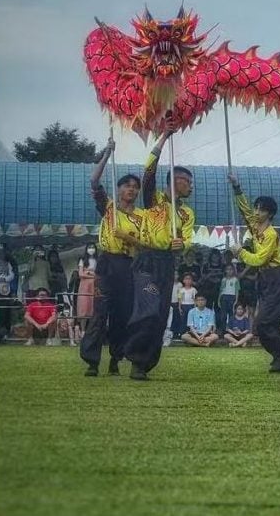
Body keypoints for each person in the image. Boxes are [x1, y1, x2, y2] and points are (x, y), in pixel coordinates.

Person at [125, 124, 195, 380]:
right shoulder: (153, 200)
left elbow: (187, 238)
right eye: (186, 180)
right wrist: (164, 138)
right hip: (146, 260)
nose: (189, 185)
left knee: (160, 314)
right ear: (173, 181)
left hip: (167, 263)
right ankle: (134, 355)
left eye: (190, 182)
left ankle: (144, 363)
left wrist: (182, 245)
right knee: (149, 308)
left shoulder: (186, 213)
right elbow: (148, 172)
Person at [81, 137, 144, 376]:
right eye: (127, 185)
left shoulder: (142, 216)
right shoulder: (108, 207)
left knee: (123, 314)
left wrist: (129, 239)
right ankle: (91, 361)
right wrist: (107, 152)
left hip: (129, 265)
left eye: (134, 186)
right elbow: (94, 180)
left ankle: (116, 358)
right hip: (107, 263)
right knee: (100, 312)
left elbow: (145, 244)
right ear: (119, 189)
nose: (131, 189)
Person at [228, 173, 280, 373]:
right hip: (265, 279)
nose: (256, 212)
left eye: (261, 209)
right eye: (256, 208)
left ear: (270, 214)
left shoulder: (271, 235)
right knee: (271, 323)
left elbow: (259, 260)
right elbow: (244, 209)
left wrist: (240, 252)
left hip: (276, 278)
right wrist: (237, 187)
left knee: (263, 322)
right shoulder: (255, 226)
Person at [0, 244, 15, 335]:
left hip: (5, 290)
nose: (0, 253)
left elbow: (12, 275)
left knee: (5, 310)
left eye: (2, 251)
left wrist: (6, 279)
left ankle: (4, 332)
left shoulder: (7, 263)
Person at [76, 244, 98, 321]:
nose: (91, 249)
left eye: (93, 248)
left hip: (94, 285)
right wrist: (92, 275)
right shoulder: (82, 260)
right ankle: (82, 329)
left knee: (93, 304)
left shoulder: (97, 260)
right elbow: (81, 274)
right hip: (85, 285)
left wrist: (89, 273)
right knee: (84, 304)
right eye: (89, 247)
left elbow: (99, 274)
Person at [217, 263, 240, 335]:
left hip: (232, 297)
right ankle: (223, 331)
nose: (229, 271)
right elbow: (221, 290)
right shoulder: (223, 280)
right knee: (223, 315)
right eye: (227, 269)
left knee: (231, 314)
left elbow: (237, 290)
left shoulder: (235, 280)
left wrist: (236, 300)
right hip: (224, 297)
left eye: (231, 269)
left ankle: (231, 331)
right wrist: (218, 299)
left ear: (233, 270)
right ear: (225, 271)